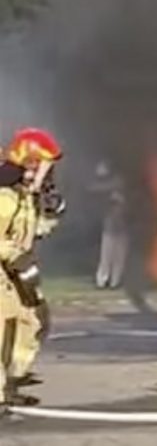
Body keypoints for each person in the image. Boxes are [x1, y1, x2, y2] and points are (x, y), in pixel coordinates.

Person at [0, 128, 65, 409]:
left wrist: (51, 215)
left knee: (32, 320)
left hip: (14, 272)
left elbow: (30, 232)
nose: (47, 174)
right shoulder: (5, 195)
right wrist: (16, 258)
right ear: (29, 162)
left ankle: (12, 380)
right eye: (43, 166)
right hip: (5, 270)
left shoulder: (24, 194)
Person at [91, 161, 128, 290]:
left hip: (122, 227)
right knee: (106, 256)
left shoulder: (121, 188)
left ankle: (114, 282)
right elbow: (95, 188)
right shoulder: (106, 189)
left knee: (118, 257)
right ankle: (102, 280)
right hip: (110, 226)